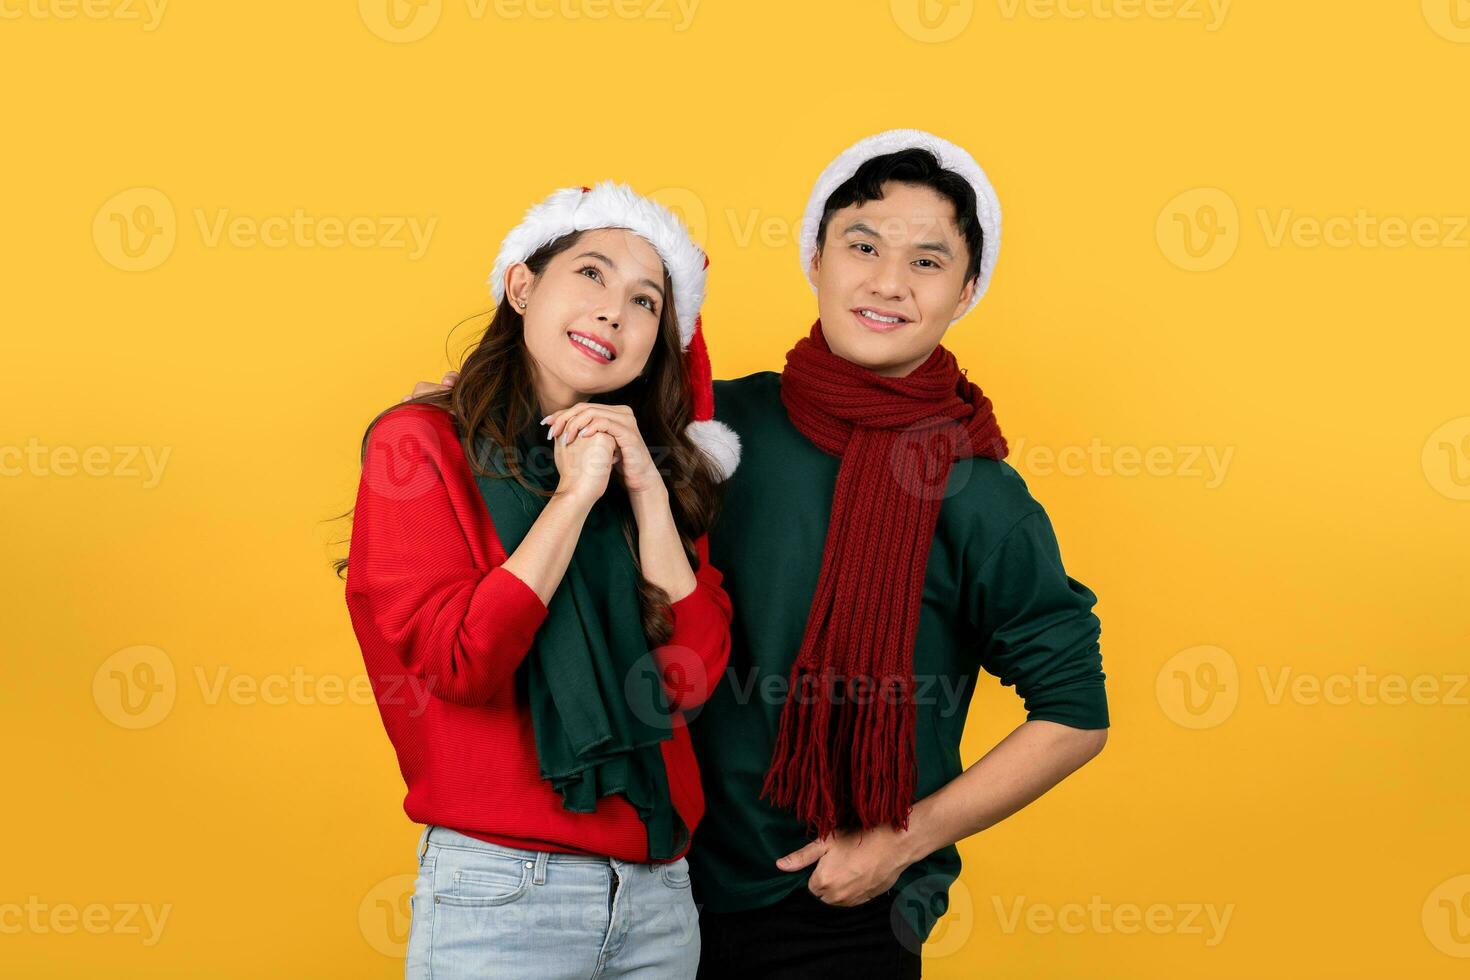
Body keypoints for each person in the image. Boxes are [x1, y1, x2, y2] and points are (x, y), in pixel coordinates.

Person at [410, 130, 1110, 979]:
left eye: (928, 263)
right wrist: (470, 410)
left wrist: (902, 843)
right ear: (815, 257)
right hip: (652, 882)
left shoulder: (978, 492)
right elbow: (575, 426)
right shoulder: (713, 429)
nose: (887, 282)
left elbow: (1075, 713)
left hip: (834, 904)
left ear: (965, 292)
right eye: (862, 246)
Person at [343, 180, 740, 979]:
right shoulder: (418, 446)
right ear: (523, 286)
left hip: (660, 902)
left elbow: (686, 683)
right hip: (501, 892)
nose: (612, 313)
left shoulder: (648, 479)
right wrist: (572, 495)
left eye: (644, 301)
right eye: (589, 273)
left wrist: (647, 493)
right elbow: (462, 662)